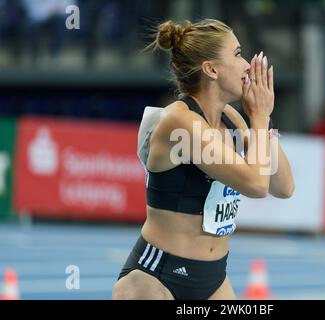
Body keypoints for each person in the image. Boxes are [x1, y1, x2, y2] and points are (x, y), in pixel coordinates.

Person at [112, 19, 295, 300]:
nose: (247, 64)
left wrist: (264, 118)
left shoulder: (231, 119)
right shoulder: (180, 121)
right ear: (210, 69)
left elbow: (283, 187)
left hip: (213, 281)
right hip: (155, 279)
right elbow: (256, 186)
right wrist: (257, 117)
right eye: (236, 54)